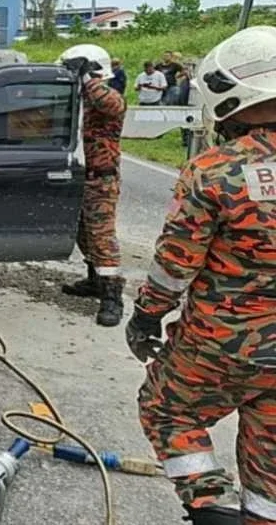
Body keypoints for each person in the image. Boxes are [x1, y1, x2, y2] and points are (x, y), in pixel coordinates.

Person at [128, 26, 276, 525]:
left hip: (221, 344)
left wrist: (146, 318)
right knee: (271, 467)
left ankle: (210, 507)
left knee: (167, 410)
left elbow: (174, 266)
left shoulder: (215, 170)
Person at [57, 44, 128, 326]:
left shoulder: (109, 98)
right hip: (81, 174)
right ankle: (94, 280)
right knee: (83, 234)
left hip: (102, 177)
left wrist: (88, 77)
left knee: (101, 236)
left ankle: (113, 296)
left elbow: (111, 103)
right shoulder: (82, 101)